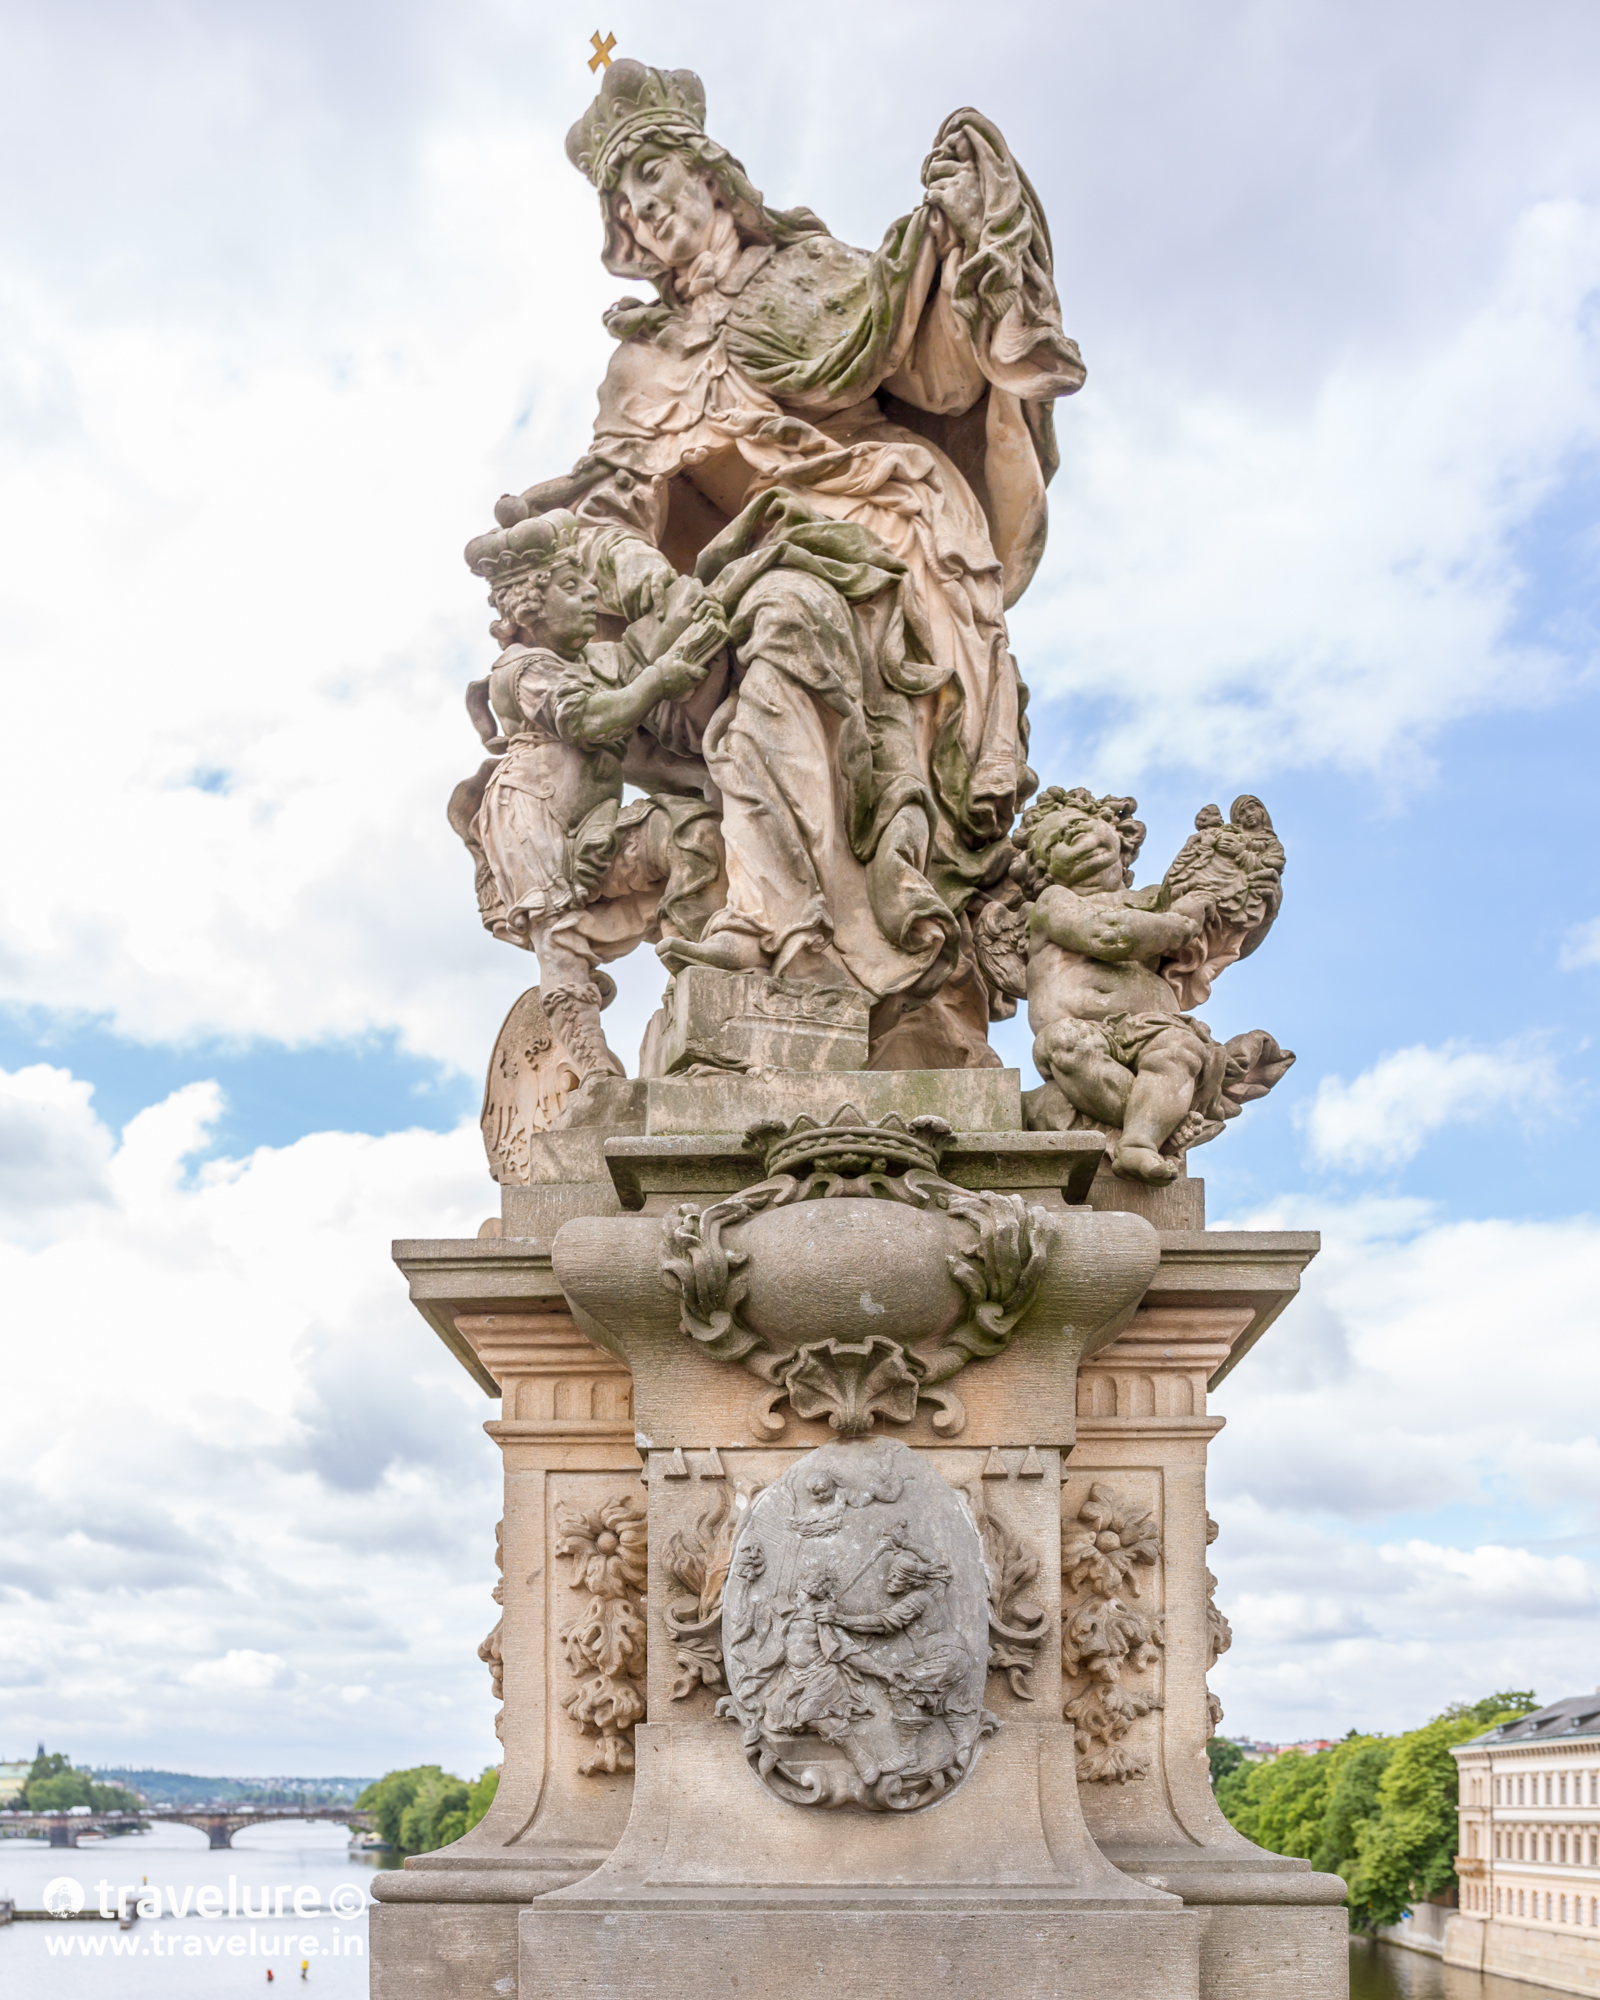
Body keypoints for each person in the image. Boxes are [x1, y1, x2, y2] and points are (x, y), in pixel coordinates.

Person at [493, 60, 1086, 1063]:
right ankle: (781, 925)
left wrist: (961, 248)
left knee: (789, 612)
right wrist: (594, 565)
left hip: (884, 525)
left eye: (653, 179)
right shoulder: (639, 369)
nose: (641, 209)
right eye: (623, 201)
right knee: (767, 609)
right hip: (739, 569)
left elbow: (937, 368)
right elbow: (615, 513)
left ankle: (798, 930)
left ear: (713, 180)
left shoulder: (817, 276)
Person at [450, 509, 726, 1081]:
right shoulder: (522, 668)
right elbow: (589, 720)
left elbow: (642, 653)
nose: (590, 598)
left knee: (694, 836)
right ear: (529, 605)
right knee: (560, 941)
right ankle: (594, 1072)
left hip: (593, 820)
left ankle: (706, 976)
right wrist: (658, 681)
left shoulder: (586, 661)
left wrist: (719, 571)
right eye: (573, 588)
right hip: (534, 818)